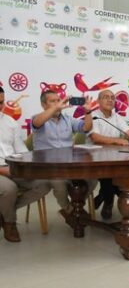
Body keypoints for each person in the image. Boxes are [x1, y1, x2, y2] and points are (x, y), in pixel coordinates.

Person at [32, 89, 96, 219]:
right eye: (53, 101)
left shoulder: (68, 119)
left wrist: (87, 111)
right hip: (48, 167)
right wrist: (55, 107)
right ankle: (69, 210)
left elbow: (86, 128)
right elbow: (37, 122)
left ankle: (77, 205)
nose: (58, 103)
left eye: (58, 100)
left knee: (92, 178)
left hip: (69, 164)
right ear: (44, 105)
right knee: (58, 183)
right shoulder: (38, 118)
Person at [0, 87, 50, 242]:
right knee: (9, 189)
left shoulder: (10, 122)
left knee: (44, 183)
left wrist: (27, 165)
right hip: (4, 170)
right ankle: (9, 223)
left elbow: (21, 150)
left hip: (12, 167)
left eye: (1, 102)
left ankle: (5, 212)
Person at [89, 89, 129, 219]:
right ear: (98, 101)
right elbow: (96, 138)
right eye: (106, 97)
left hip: (114, 156)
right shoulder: (93, 116)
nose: (110, 100)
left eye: (112, 97)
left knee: (123, 173)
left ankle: (103, 197)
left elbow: (128, 132)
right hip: (96, 159)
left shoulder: (117, 116)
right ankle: (109, 203)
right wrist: (118, 141)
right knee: (108, 177)